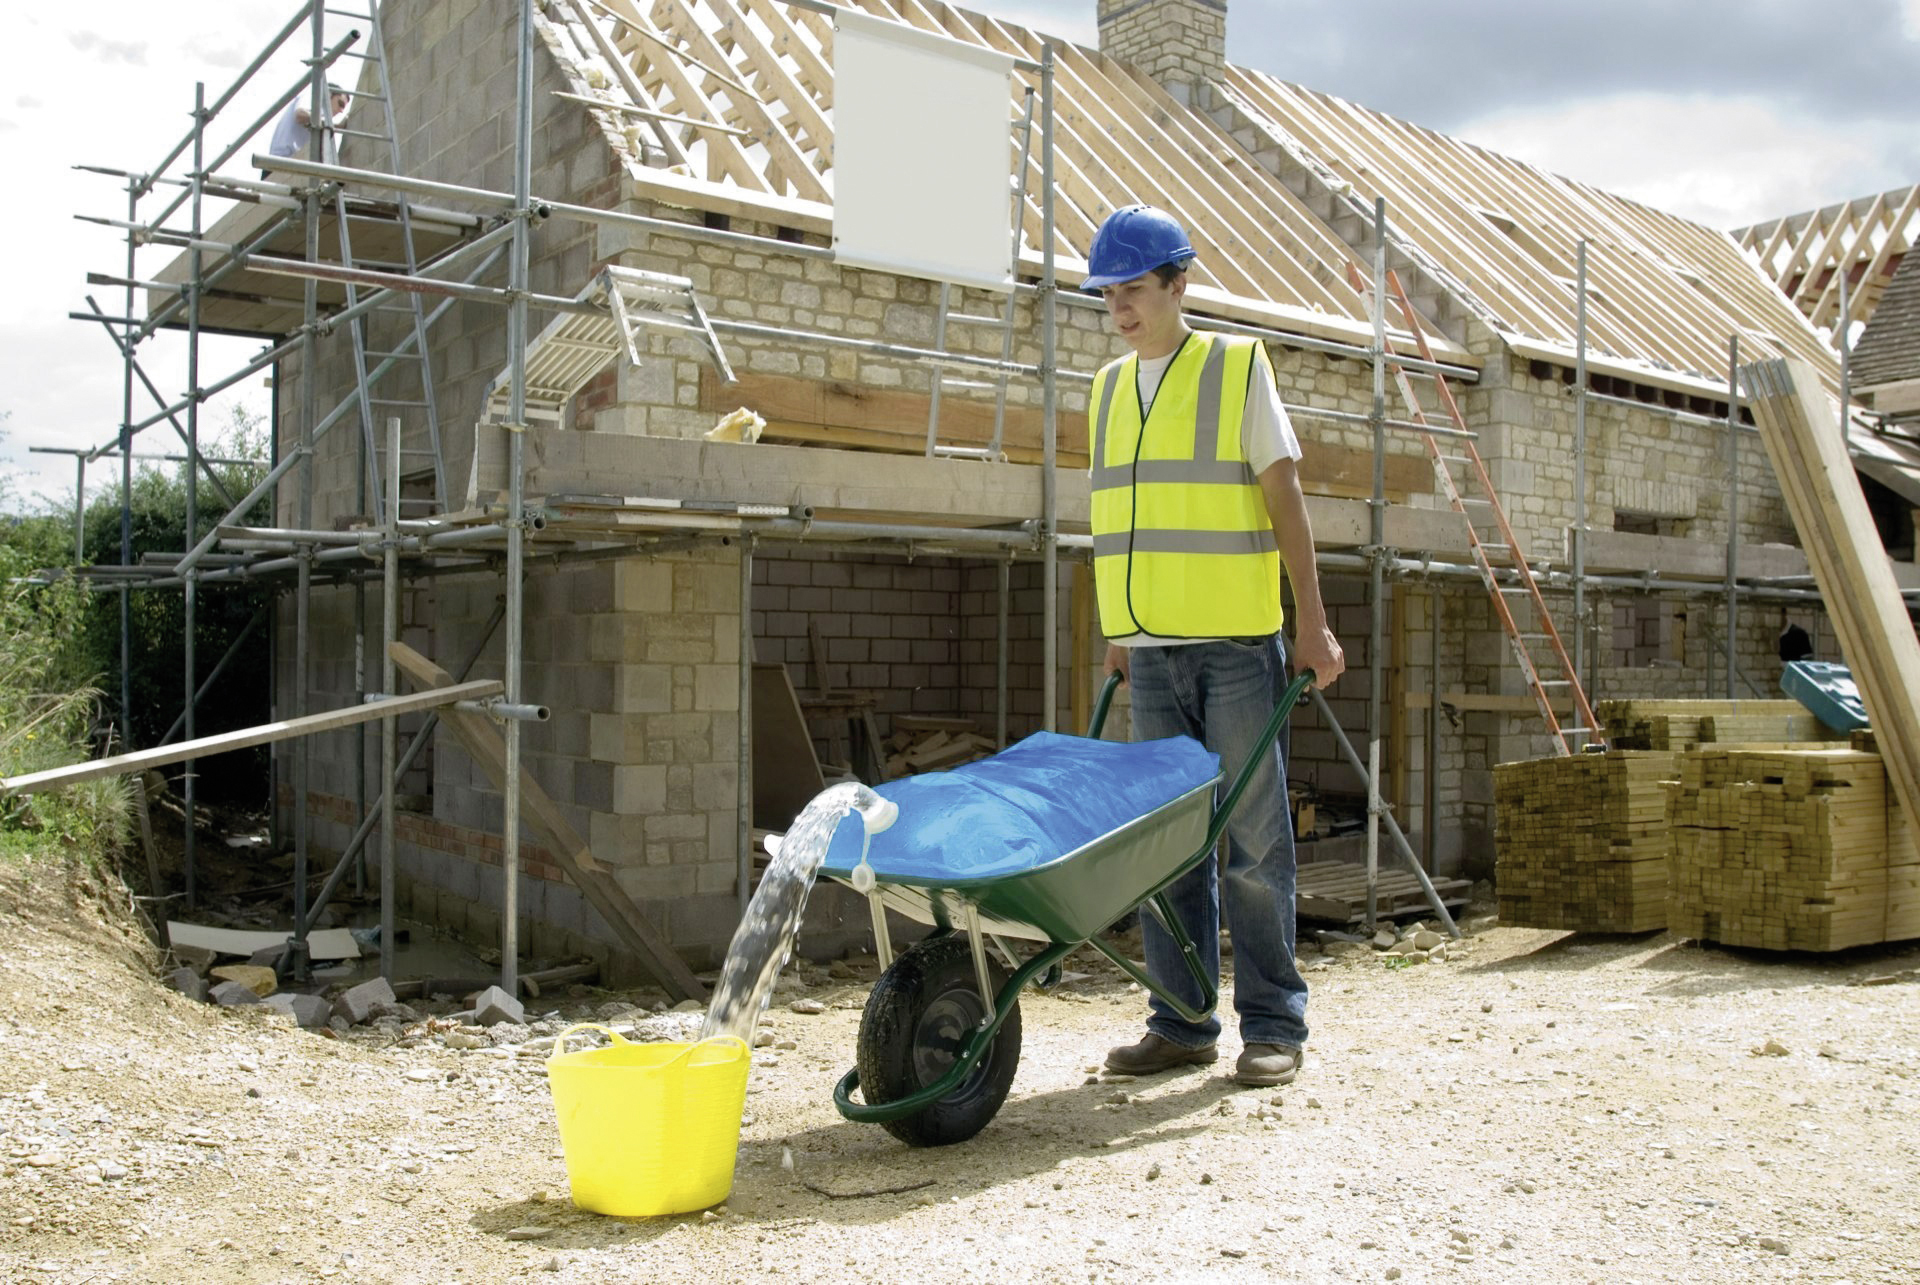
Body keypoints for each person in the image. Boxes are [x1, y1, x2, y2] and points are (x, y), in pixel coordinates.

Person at [1084, 204, 1346, 1088]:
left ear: (1178, 284)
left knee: (1254, 841)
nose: (1120, 308)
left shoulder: (1237, 368)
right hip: (1151, 654)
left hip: (1235, 645)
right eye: (1108, 293)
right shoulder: (1106, 389)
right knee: (1167, 847)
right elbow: (1120, 517)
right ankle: (1181, 1020)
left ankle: (1273, 1024)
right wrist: (1119, 632)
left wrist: (1311, 620)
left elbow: (1285, 497)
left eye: (1133, 289)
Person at [267, 83, 350, 166]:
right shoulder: (313, 96)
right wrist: (335, 125)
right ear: (328, 95)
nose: (341, 111)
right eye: (340, 104)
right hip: (280, 160)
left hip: (290, 161)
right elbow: (299, 115)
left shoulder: (320, 116)